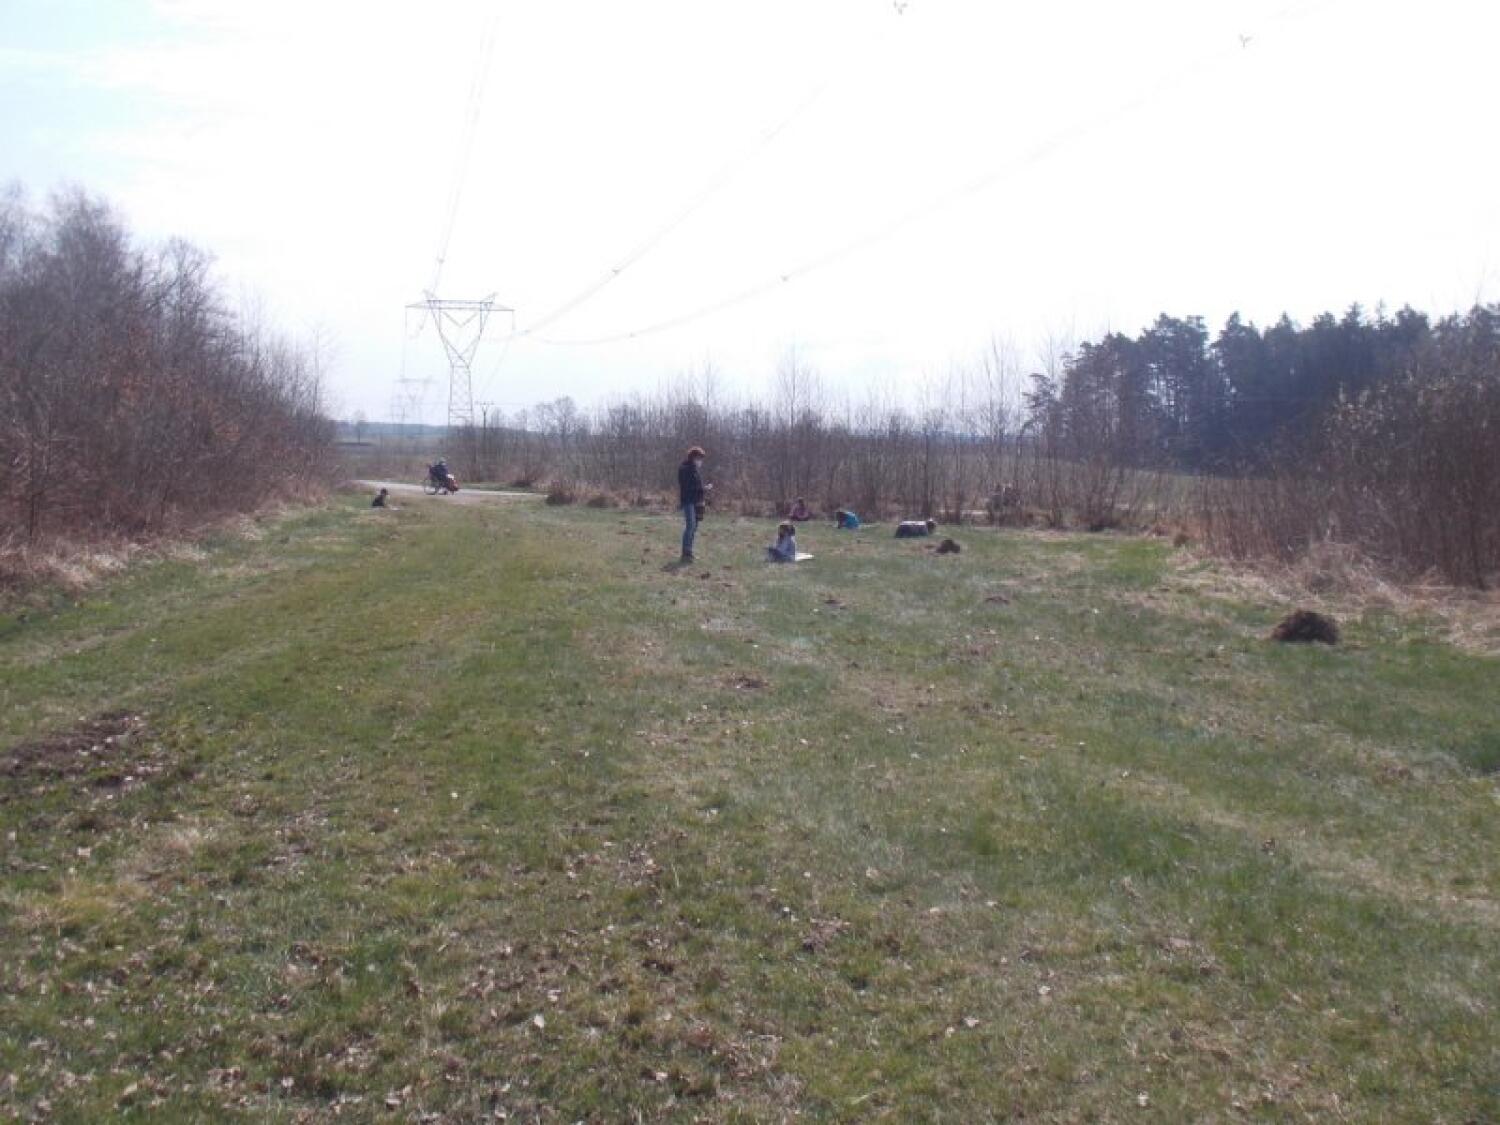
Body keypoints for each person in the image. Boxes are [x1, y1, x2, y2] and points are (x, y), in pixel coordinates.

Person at [677, 446, 711, 562]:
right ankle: (685, 553)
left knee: (694, 527)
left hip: (696, 502)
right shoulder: (685, 469)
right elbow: (688, 487)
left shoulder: (694, 470)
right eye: (699, 458)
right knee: (690, 526)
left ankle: (689, 552)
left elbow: (696, 486)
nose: (701, 461)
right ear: (694, 457)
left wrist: (702, 489)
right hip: (688, 501)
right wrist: (703, 488)